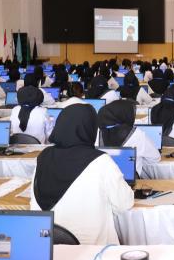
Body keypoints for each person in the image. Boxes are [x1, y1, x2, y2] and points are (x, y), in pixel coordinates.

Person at [31, 104, 134, 244]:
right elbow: (124, 203)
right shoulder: (100, 161)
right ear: (90, 129)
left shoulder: (43, 157)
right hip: (94, 252)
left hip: (48, 247)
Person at [97, 100, 160, 173]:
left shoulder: (95, 133)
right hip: (129, 182)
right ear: (126, 114)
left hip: (103, 181)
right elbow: (155, 158)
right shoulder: (136, 134)